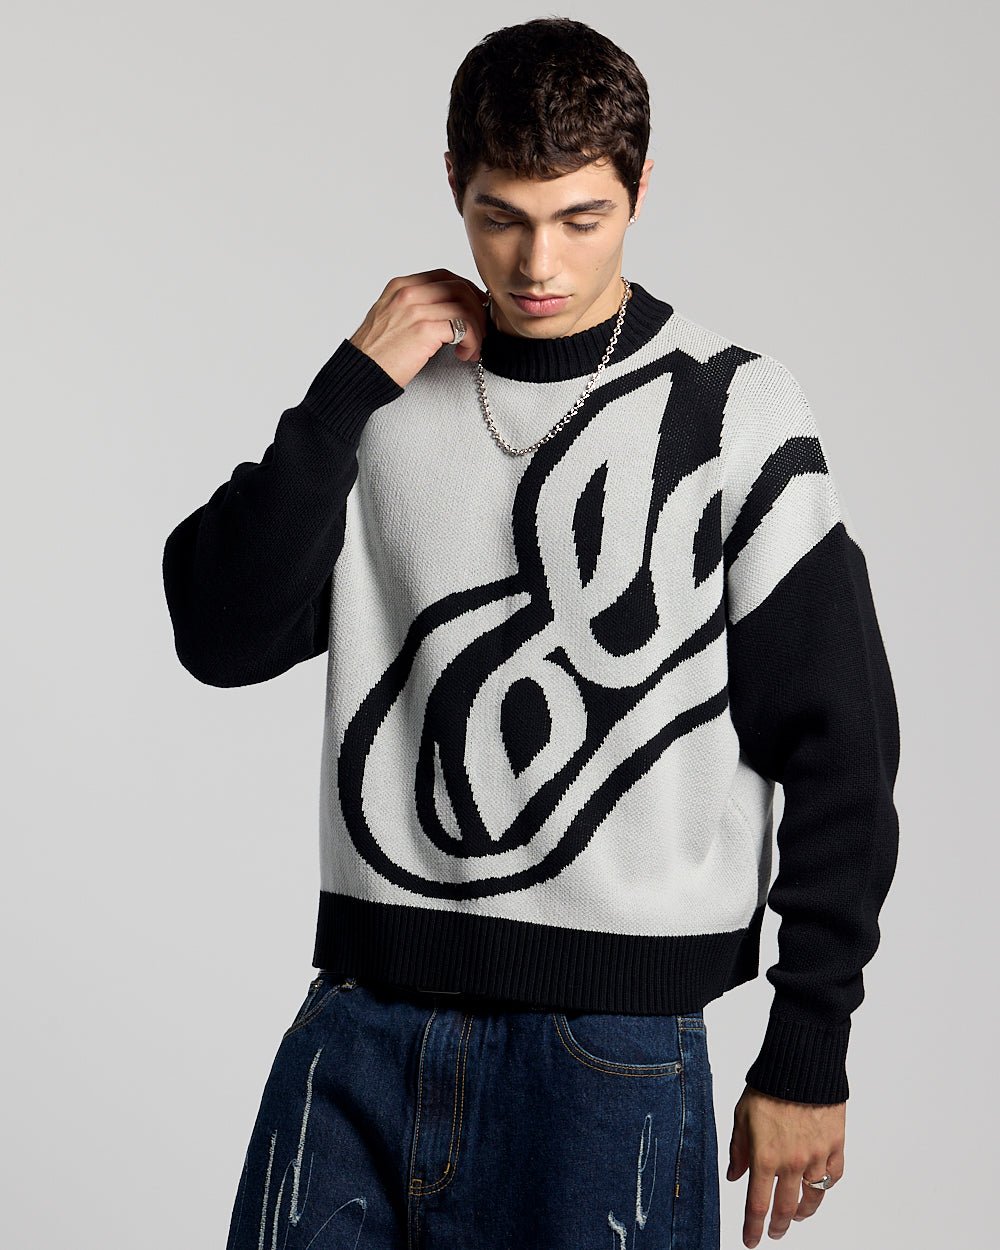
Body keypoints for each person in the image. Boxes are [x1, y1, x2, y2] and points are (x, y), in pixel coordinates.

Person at [162, 17, 900, 1250]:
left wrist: (808, 1043)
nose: (537, 261)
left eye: (580, 218)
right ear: (454, 182)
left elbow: (842, 746)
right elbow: (219, 631)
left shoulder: (731, 409)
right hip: (363, 1022)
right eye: (500, 217)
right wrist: (345, 389)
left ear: (640, 190)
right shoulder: (386, 406)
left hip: (608, 1058)